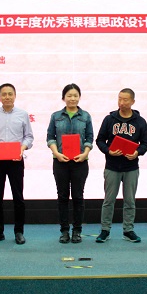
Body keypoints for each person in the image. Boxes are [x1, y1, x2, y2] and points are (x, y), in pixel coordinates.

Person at [95, 88, 147, 243]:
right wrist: (109, 151)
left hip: (131, 167)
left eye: (125, 99)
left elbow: (145, 143)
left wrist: (137, 153)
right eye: (119, 99)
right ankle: (105, 230)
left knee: (130, 201)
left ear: (133, 101)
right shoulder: (109, 119)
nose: (122, 102)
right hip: (112, 166)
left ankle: (128, 230)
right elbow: (100, 140)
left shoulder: (140, 121)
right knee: (109, 200)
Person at [0, 83, 34, 245]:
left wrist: (22, 148)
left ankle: (19, 231)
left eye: (10, 94)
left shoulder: (22, 114)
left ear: (15, 96)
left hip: (16, 161)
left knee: (18, 197)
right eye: (4, 94)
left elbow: (29, 136)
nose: (7, 97)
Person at [46, 83, 94, 244]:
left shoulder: (85, 116)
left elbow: (89, 138)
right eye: (69, 95)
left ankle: (77, 231)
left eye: (75, 95)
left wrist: (85, 153)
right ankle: (64, 231)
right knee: (62, 196)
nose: (72, 98)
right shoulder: (56, 116)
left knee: (78, 196)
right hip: (60, 162)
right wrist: (56, 153)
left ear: (79, 97)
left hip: (80, 162)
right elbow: (50, 137)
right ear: (63, 98)